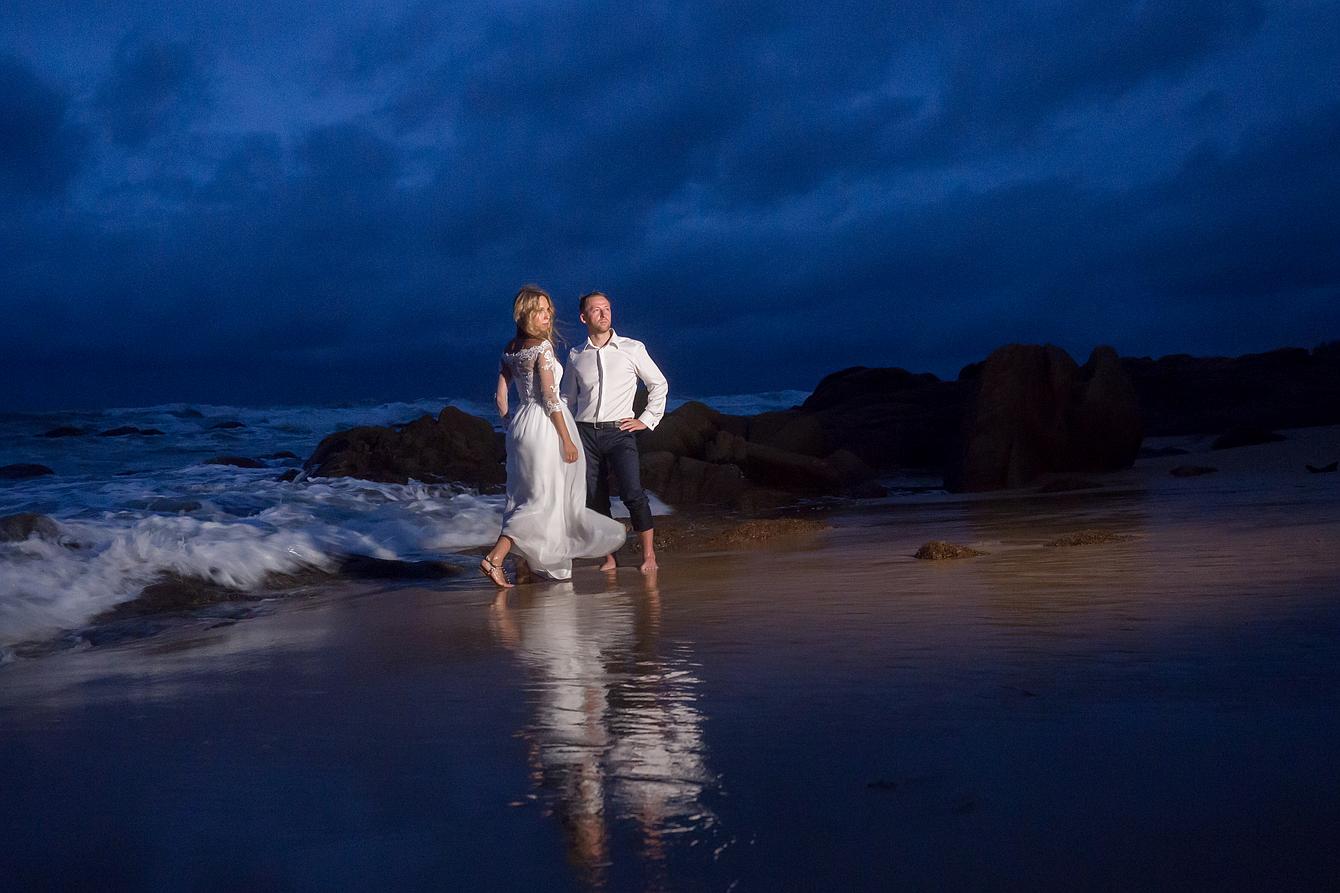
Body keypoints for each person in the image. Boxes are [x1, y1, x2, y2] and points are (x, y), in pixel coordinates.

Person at [479, 286, 628, 588]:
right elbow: (550, 397)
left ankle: (526, 566)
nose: (548, 316)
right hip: (546, 426)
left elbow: (500, 399)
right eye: (541, 310)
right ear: (525, 314)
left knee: (523, 496)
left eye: (549, 310)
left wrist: (513, 426)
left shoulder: (510, 348)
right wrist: (567, 439)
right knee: (544, 498)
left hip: (522, 426)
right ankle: (495, 557)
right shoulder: (542, 348)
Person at [562, 291, 668, 574]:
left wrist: (646, 419)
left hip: (620, 432)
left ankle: (648, 556)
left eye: (607, 308)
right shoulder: (575, 355)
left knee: (633, 493)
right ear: (584, 317)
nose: (603, 314)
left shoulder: (632, 348)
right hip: (585, 433)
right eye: (596, 310)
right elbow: (568, 399)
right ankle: (609, 557)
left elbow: (658, 384)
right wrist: (561, 433)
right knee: (595, 498)